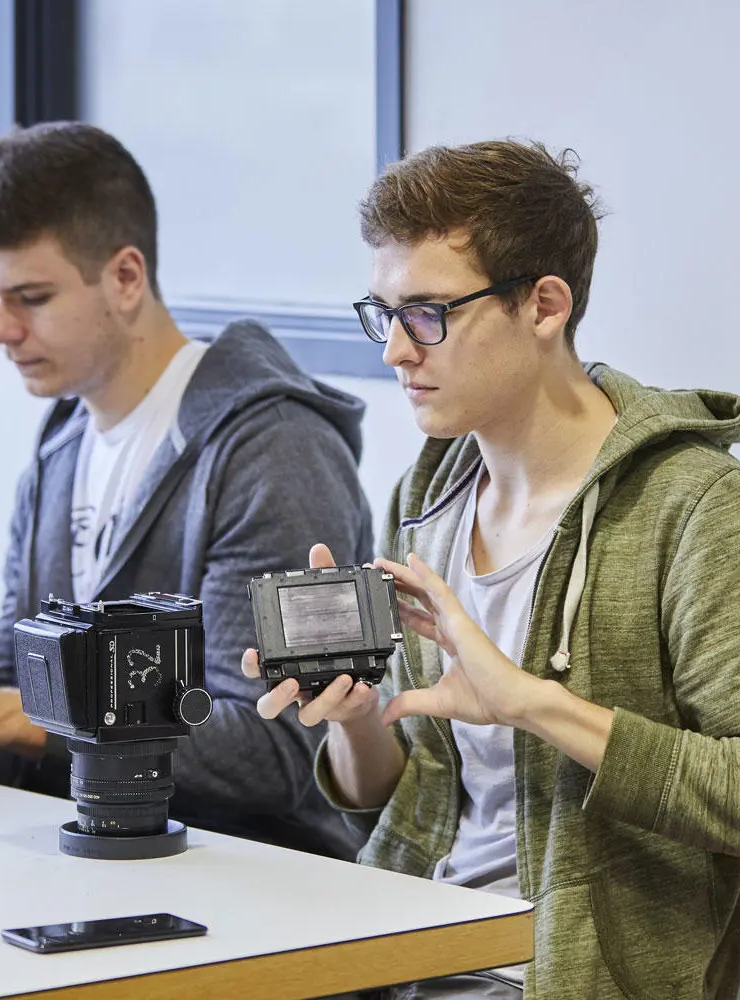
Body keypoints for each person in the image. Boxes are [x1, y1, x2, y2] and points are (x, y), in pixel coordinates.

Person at [244, 140, 740, 997]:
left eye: (428, 313)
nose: (396, 351)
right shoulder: (427, 495)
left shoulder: (693, 504)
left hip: (566, 977)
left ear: (544, 305)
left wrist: (530, 703)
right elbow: (399, 794)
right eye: (385, 312)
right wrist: (358, 718)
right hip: (402, 949)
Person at [0, 121, 373, 860]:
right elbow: (17, 696)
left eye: (30, 296)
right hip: (96, 865)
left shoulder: (271, 450)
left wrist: (11, 718)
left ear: (126, 277)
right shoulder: (59, 451)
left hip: (258, 893)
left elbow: (270, 753)